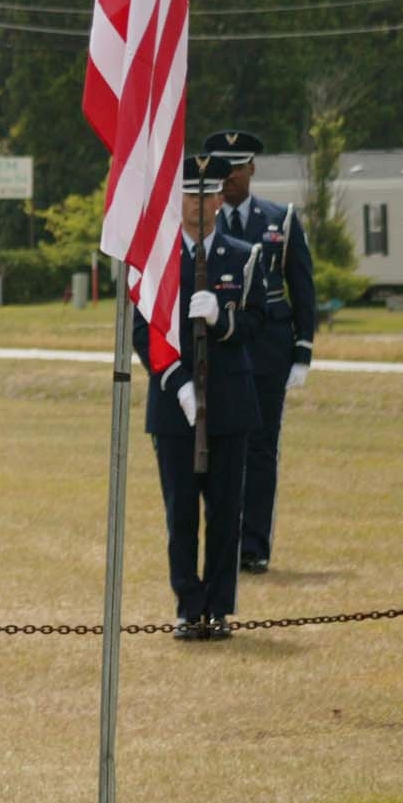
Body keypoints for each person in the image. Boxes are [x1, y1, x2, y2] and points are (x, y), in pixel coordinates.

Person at [135, 152, 265, 640]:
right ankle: (188, 606)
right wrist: (178, 384)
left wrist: (223, 320)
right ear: (177, 199)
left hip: (230, 401)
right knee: (182, 512)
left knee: (226, 511)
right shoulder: (157, 262)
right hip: (174, 403)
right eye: (191, 194)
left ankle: (220, 607)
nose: (201, 203)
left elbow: (259, 323)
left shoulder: (244, 255)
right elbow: (143, 332)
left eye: (209, 194)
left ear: (219, 198)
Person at [201, 128, 317, 573]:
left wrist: (303, 351)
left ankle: (254, 545)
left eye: (237, 166)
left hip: (268, 347)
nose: (229, 176)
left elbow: (301, 287)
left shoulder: (280, 219)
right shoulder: (199, 220)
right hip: (218, 346)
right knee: (218, 448)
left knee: (262, 448)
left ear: (252, 169)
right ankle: (222, 540)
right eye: (221, 168)